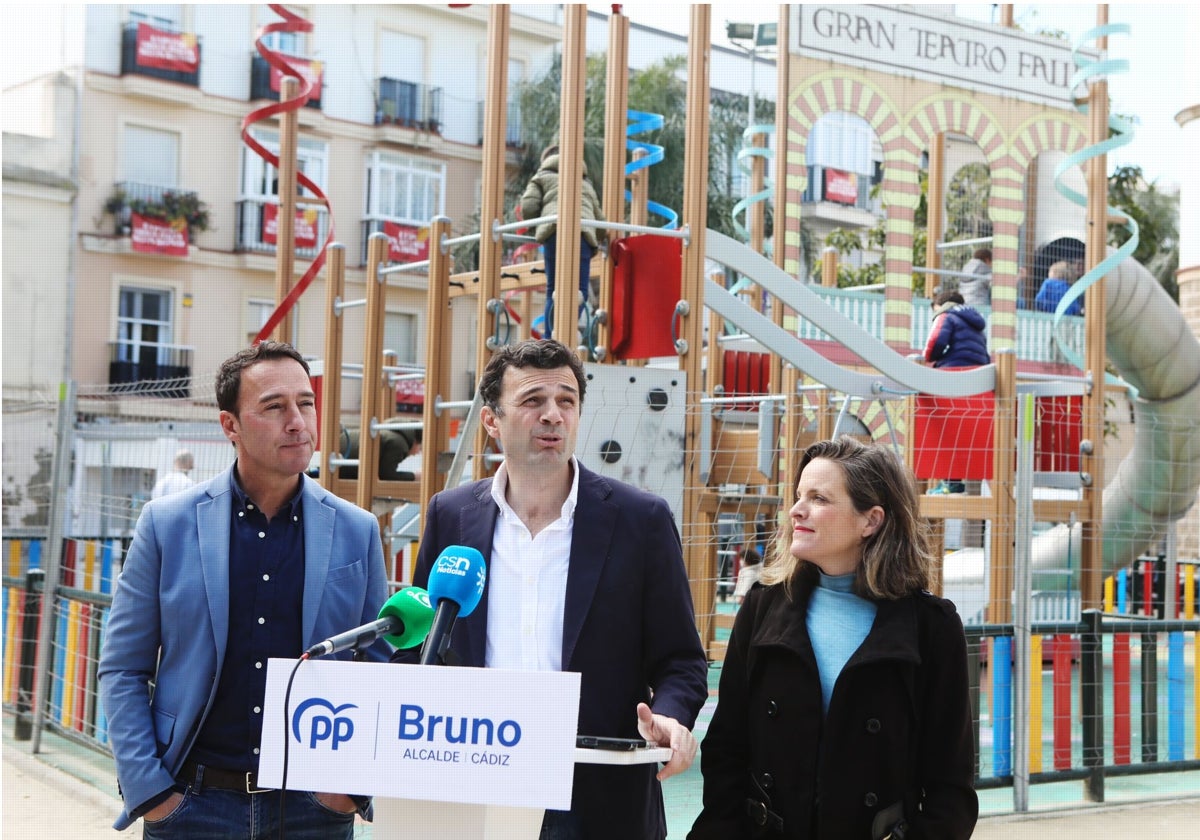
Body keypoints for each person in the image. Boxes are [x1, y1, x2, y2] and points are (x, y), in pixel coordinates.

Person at [395, 338, 708, 840]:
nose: (553, 416)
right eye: (532, 401)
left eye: (566, 401)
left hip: (599, 798)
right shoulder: (451, 516)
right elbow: (420, 645)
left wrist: (670, 717)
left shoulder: (640, 520)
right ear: (492, 421)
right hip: (474, 788)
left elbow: (681, 659)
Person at [98, 341, 391, 839]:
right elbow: (123, 666)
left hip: (313, 810)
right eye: (275, 407)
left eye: (306, 403)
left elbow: (378, 667)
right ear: (229, 426)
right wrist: (151, 792)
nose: (297, 421)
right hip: (191, 804)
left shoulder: (357, 529)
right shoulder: (166, 525)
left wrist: (350, 788)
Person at [689, 436, 979, 840]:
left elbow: (951, 784)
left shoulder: (931, 627)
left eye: (819, 499)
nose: (796, 510)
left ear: (870, 521)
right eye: (798, 495)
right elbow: (725, 752)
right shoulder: (761, 611)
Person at [519, 144, 606, 340]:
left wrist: (536, 226)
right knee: (580, 290)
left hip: (553, 231)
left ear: (546, 160)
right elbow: (600, 222)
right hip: (582, 235)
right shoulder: (585, 183)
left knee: (553, 287)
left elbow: (529, 206)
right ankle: (565, 330)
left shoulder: (541, 176)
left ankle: (551, 337)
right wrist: (600, 237)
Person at [923, 289, 990, 494]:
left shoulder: (946, 316)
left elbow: (934, 344)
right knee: (964, 431)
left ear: (941, 306)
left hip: (952, 378)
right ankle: (962, 481)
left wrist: (930, 358)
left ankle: (950, 482)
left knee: (944, 427)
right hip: (977, 382)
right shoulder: (976, 324)